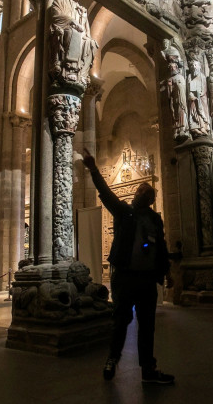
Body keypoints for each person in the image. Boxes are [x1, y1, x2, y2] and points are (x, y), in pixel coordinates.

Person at [81, 148, 174, 385]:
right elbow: (106, 193)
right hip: (125, 276)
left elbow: (160, 247)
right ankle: (112, 358)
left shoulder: (154, 219)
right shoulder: (125, 213)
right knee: (121, 320)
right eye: (141, 190)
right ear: (135, 195)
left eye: (148, 192)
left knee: (147, 325)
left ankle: (148, 370)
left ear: (151, 200)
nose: (143, 193)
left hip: (145, 279)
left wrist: (166, 272)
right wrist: (92, 168)